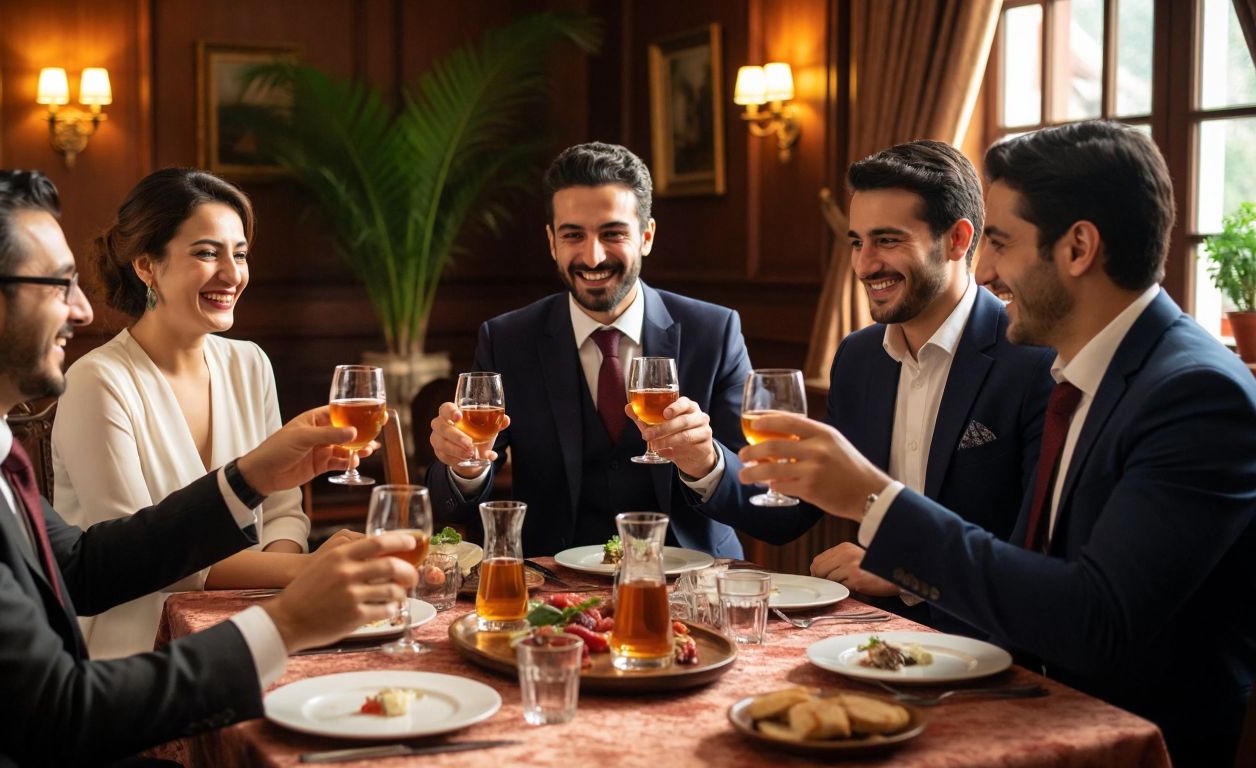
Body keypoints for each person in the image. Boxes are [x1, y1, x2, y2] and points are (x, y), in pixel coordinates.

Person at [0, 166, 418, 766]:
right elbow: (60, 714)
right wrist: (286, 624)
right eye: (60, 285)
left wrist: (249, 479)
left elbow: (84, 565)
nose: (83, 312)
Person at [739, 121, 1256, 766]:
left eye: (1003, 243)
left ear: (1078, 248)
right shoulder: (1081, 369)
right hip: (1015, 698)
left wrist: (876, 499)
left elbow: (1095, 620)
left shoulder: (1196, 392)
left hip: (1120, 739)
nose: (984, 268)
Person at [425, 141, 797, 557]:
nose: (593, 255)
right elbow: (447, 500)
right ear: (552, 242)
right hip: (552, 588)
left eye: (612, 233)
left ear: (647, 236)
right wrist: (464, 465)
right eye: (573, 235)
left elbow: (771, 509)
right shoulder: (506, 338)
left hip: (693, 586)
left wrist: (708, 463)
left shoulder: (713, 331)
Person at [52, 168, 360, 659]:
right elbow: (144, 560)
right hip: (134, 649)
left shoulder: (249, 363)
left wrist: (271, 600)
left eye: (239, 254)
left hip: (252, 623)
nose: (232, 273)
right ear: (147, 266)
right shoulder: (97, 382)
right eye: (205, 253)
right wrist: (306, 571)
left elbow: (284, 512)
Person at [799, 140, 1054, 633]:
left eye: (888, 241)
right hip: (866, 640)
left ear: (958, 240)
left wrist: (904, 573)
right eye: (857, 242)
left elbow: (1032, 552)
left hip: (988, 650)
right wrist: (705, 462)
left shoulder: (1034, 359)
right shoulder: (857, 357)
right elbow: (793, 510)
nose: (864, 265)